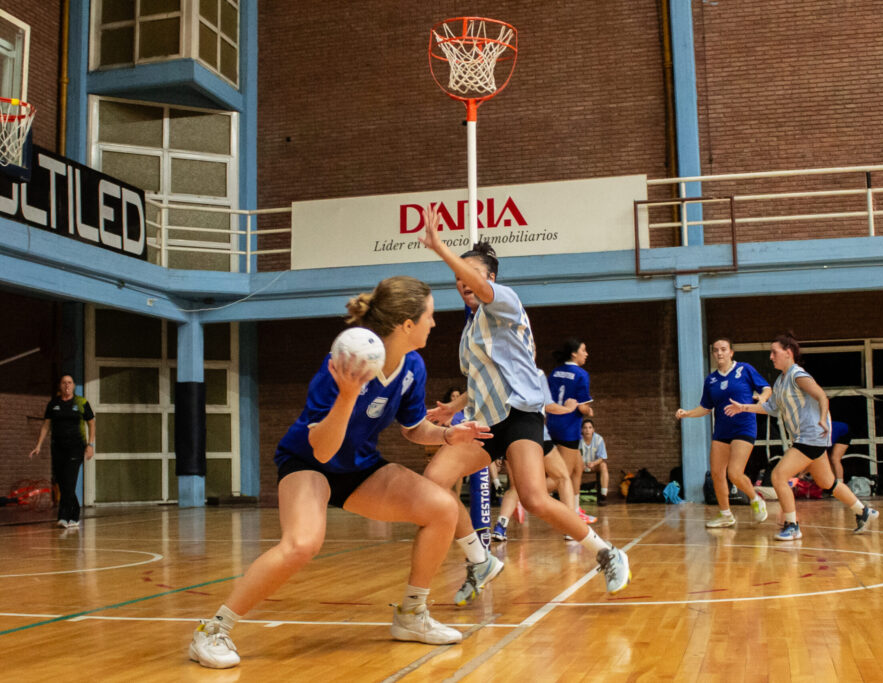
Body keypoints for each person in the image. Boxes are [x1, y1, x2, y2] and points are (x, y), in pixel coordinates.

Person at [188, 276, 492, 669]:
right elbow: (323, 447)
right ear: (406, 324)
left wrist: (450, 434)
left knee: (442, 509)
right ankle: (212, 631)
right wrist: (348, 395)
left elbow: (414, 426)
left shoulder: (412, 364)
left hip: (358, 465)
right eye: (430, 316)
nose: (435, 323)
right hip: (309, 462)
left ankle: (412, 615)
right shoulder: (345, 364)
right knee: (302, 544)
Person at [418, 206, 630, 603]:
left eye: (470, 274)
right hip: (483, 419)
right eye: (457, 277)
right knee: (433, 483)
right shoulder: (471, 329)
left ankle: (607, 552)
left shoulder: (506, 302)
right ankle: (479, 560)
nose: (462, 281)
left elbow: (479, 289)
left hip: (519, 414)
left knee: (533, 497)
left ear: (490, 279)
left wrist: (440, 247)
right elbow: (484, 375)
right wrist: (454, 407)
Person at [724, 333, 878, 541]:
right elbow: (770, 407)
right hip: (806, 438)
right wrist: (743, 407)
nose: (771, 357)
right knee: (827, 482)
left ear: (788, 353)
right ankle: (863, 511)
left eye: (774, 352)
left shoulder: (798, 375)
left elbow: (821, 396)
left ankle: (792, 525)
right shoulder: (780, 381)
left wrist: (823, 419)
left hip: (810, 436)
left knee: (778, 476)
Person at [675, 337, 772, 528]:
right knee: (718, 473)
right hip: (721, 431)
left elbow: (766, 388)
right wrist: (687, 413)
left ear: (731, 352)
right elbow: (705, 407)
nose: (719, 353)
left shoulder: (744, 369)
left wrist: (761, 398)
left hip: (744, 427)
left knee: (734, 473)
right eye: (716, 350)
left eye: (723, 349)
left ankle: (755, 498)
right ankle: (726, 514)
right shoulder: (711, 380)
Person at [491, 372, 578, 542]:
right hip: (535, 435)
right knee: (562, 477)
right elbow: (549, 405)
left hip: (509, 437)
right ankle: (571, 526)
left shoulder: (501, 372)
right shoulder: (535, 373)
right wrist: (568, 408)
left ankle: (500, 526)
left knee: (517, 487)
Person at [29, 374, 95, 528]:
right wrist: (38, 445)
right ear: (60, 385)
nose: (67, 385)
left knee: (70, 481)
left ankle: (65, 516)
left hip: (76, 447)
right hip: (58, 448)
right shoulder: (53, 404)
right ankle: (74, 511)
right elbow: (46, 425)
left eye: (70, 383)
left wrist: (90, 445)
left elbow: (92, 423)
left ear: (73, 386)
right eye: (64, 383)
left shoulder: (81, 403)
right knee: (62, 482)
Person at [546, 338, 597, 523]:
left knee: (577, 468)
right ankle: (523, 496)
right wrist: (589, 410)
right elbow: (582, 408)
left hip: (553, 422)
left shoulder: (555, 372)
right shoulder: (581, 374)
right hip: (568, 427)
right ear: (574, 353)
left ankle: (576, 510)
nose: (586, 353)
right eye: (584, 350)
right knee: (563, 475)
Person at [578, 418, 610, 506]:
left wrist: (593, 463)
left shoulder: (599, 439)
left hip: (594, 465)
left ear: (593, 430)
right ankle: (574, 496)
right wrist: (581, 465)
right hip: (580, 466)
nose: (587, 430)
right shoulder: (577, 439)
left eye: (590, 427)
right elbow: (575, 456)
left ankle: (603, 496)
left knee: (603, 465)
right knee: (571, 467)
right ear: (582, 430)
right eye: (585, 428)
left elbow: (602, 457)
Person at [828, 420, 851, 486]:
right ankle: (832, 483)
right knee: (828, 459)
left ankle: (840, 485)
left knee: (834, 459)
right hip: (832, 433)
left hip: (844, 432)